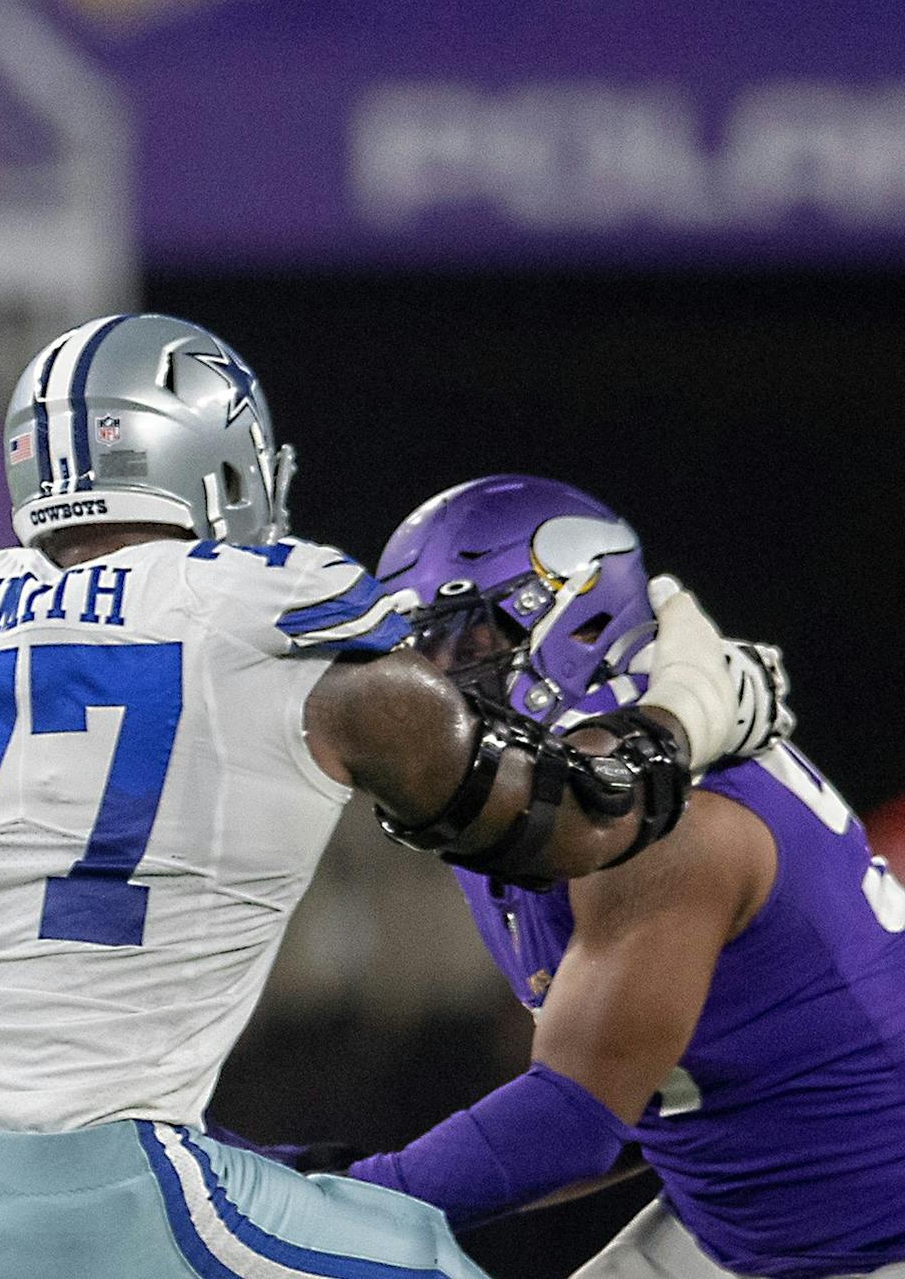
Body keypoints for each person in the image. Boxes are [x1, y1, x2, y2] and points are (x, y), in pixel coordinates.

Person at [0, 313, 786, 1279]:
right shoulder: (273, 612)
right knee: (422, 1258)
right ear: (225, 465)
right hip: (91, 1181)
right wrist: (689, 714)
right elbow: (573, 819)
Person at [330, 474, 905, 1279]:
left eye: (464, 642)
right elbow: (639, 1093)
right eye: (413, 650)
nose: (429, 682)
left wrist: (329, 1197)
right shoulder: (568, 788)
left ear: (574, 618)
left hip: (870, 1236)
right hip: (752, 1218)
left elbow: (570, 1123)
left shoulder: (661, 825)